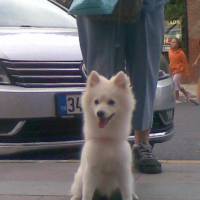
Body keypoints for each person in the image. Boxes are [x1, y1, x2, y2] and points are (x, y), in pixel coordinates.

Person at [76, 0, 168, 174]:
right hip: (97, 6)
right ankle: (102, 148)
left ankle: (142, 144)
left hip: (147, 6)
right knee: (101, 75)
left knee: (145, 71)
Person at [169, 38, 198, 104]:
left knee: (174, 83)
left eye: (174, 42)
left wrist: (187, 73)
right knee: (178, 85)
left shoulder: (181, 53)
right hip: (173, 70)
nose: (172, 43)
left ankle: (177, 98)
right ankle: (187, 95)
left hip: (179, 71)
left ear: (178, 44)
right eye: (171, 42)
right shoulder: (169, 51)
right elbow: (171, 61)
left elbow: (185, 63)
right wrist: (170, 68)